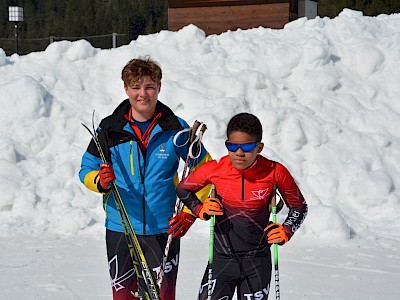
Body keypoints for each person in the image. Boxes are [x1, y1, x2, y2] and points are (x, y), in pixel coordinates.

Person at [79, 56, 212, 300]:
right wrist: (100, 180)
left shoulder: (176, 128)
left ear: (159, 88)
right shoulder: (109, 129)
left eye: (150, 87)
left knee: (162, 296)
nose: (143, 94)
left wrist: (191, 212)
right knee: (124, 296)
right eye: (136, 87)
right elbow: (86, 167)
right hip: (121, 228)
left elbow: (205, 169)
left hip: (163, 229)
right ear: (126, 89)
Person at [176, 112, 308, 300]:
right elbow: (183, 189)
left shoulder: (275, 172)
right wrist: (200, 209)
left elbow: (299, 207)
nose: (239, 153)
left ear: (259, 147)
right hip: (221, 261)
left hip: (257, 263)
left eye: (246, 147)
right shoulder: (216, 169)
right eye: (232, 146)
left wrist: (287, 230)